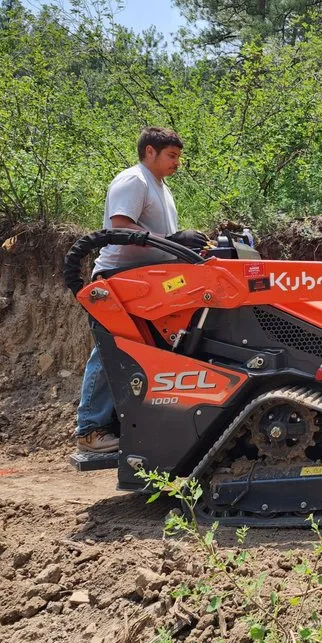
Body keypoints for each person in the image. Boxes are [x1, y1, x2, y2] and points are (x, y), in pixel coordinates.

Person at [76, 126, 206, 453]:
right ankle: (90, 429)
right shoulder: (135, 180)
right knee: (111, 348)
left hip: (144, 281)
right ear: (150, 152)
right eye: (171, 156)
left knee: (143, 350)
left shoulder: (160, 186)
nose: (177, 162)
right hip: (118, 279)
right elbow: (120, 226)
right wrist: (173, 242)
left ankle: (137, 423)